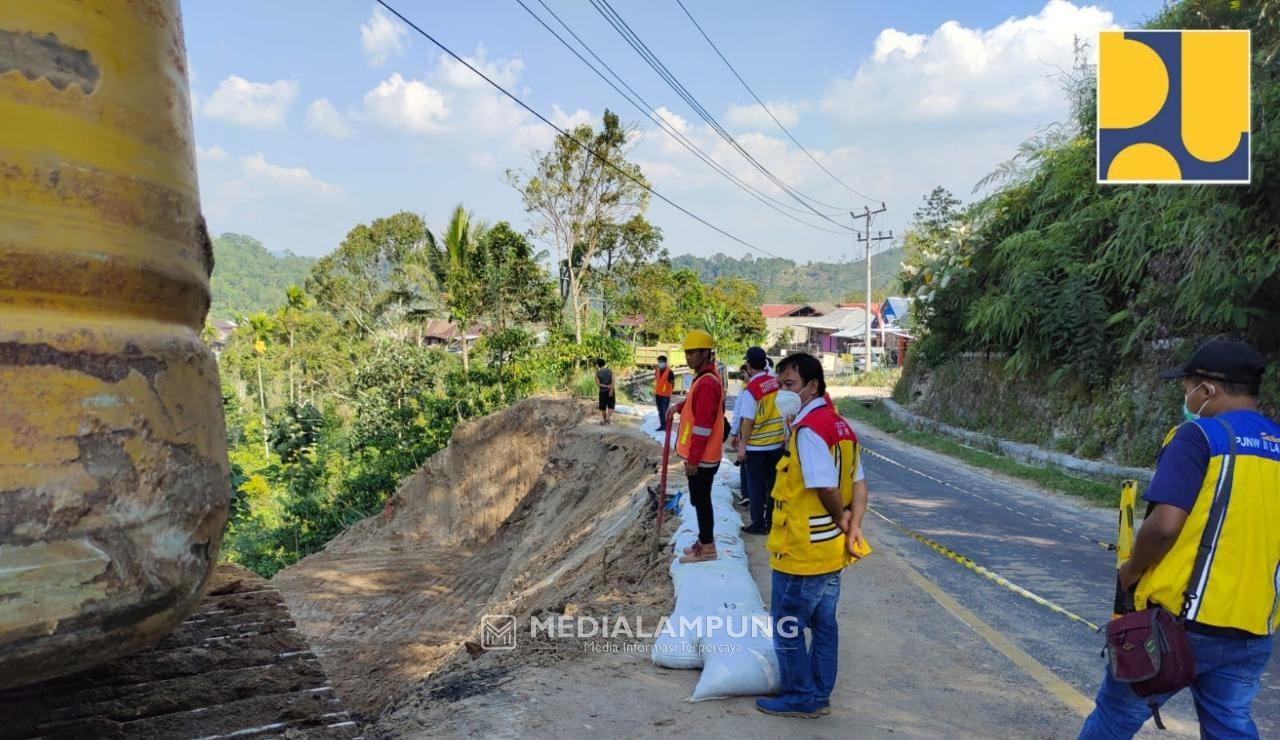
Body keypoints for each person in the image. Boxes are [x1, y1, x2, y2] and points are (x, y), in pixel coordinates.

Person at [1079, 339, 1278, 739]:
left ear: (1207, 390)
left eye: (1188, 388)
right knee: (1231, 726)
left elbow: (1165, 525)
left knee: (1114, 719)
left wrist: (1132, 569)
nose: (1186, 398)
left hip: (1177, 625)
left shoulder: (1198, 437)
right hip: (1253, 626)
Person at [757, 352, 868, 719]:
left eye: (788, 386)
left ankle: (801, 697)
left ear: (812, 386)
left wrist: (840, 517)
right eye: (779, 385)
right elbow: (859, 483)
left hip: (802, 551)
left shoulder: (808, 432)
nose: (781, 393)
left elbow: (825, 486)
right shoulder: (840, 426)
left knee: (788, 626)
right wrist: (852, 526)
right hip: (830, 552)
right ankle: (819, 694)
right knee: (824, 625)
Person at [667, 329, 725, 564]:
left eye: (693, 353)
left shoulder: (708, 383)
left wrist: (693, 459)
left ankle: (708, 548)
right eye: (687, 353)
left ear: (705, 353)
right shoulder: (704, 379)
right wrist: (679, 406)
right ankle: (704, 540)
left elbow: (703, 426)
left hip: (703, 458)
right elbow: (697, 403)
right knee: (698, 500)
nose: (689, 357)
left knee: (701, 502)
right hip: (703, 456)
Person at [730, 347, 786, 534]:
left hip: (756, 447)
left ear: (748, 365)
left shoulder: (751, 390)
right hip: (776, 444)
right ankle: (771, 521)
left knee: (755, 487)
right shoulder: (776, 383)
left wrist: (742, 446)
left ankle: (758, 524)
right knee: (772, 485)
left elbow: (748, 421)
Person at [654, 355, 675, 432]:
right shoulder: (657, 371)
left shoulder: (670, 372)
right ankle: (662, 425)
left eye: (662, 362)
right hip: (658, 394)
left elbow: (672, 383)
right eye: (659, 362)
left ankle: (667, 426)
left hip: (665, 395)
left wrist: (668, 390)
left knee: (665, 411)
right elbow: (657, 381)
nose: (660, 363)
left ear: (665, 363)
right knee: (660, 411)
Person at [595, 358, 615, 425]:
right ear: (604, 363)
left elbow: (598, 384)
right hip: (610, 391)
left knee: (603, 407)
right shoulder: (610, 371)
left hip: (602, 392)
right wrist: (611, 390)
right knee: (611, 406)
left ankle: (605, 420)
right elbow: (613, 381)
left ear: (598, 365)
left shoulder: (597, 373)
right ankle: (608, 418)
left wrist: (605, 386)